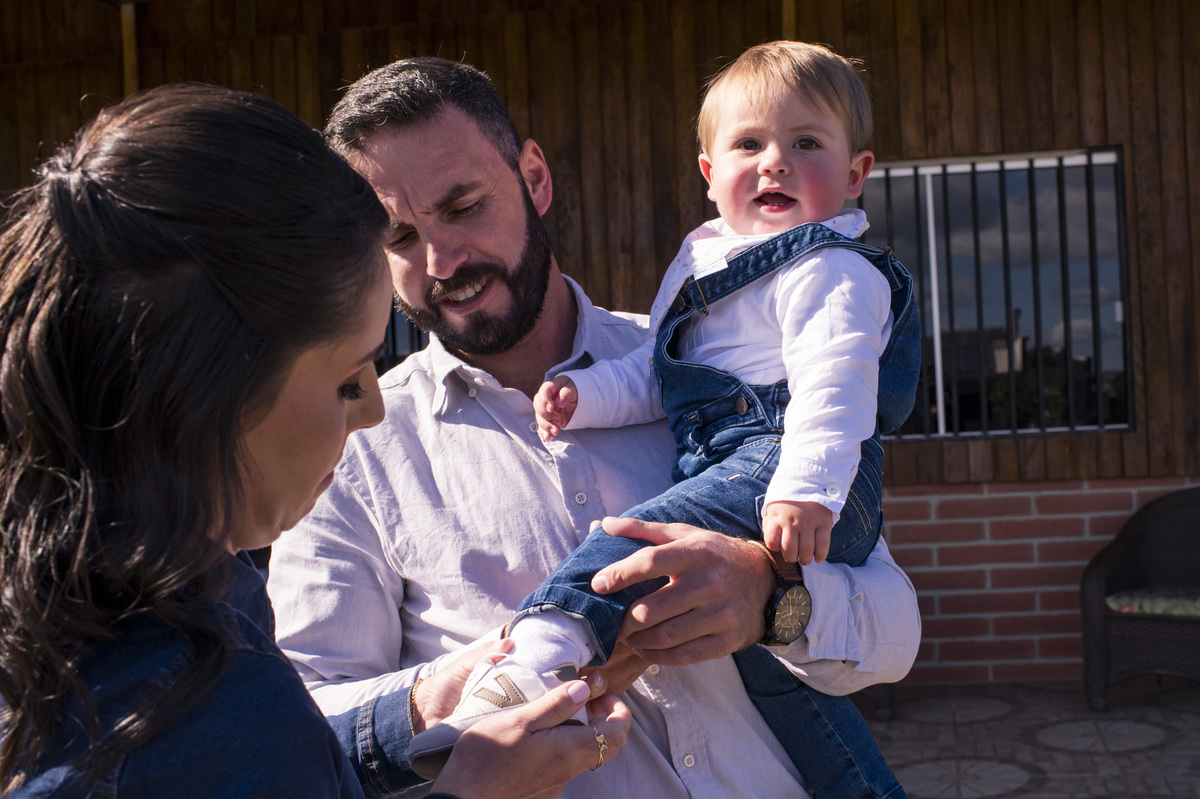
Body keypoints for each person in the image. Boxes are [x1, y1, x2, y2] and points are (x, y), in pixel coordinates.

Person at [269, 56, 921, 798]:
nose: (442, 260)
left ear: (535, 179)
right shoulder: (351, 451)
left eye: (463, 207)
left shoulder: (706, 368)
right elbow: (302, 726)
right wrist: (464, 684)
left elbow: (895, 629)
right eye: (401, 237)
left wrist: (772, 602)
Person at [0, 82, 629, 799]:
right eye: (346, 379)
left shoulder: (158, 608)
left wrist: (421, 705)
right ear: (219, 388)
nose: (369, 411)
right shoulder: (188, 700)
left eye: (463, 207)